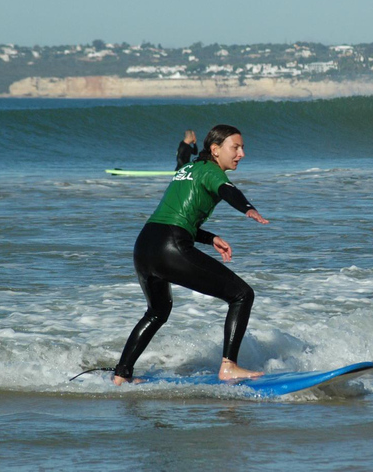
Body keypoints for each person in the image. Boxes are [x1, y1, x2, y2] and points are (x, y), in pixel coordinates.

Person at [114, 124, 269, 386]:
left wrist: (210, 238)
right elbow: (227, 191)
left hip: (144, 246)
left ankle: (121, 375)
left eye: (242, 148)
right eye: (236, 147)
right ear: (215, 150)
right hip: (170, 245)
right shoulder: (211, 171)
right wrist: (248, 209)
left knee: (157, 311)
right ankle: (229, 366)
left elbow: (177, 216)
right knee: (242, 294)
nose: (241, 153)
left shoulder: (187, 170)